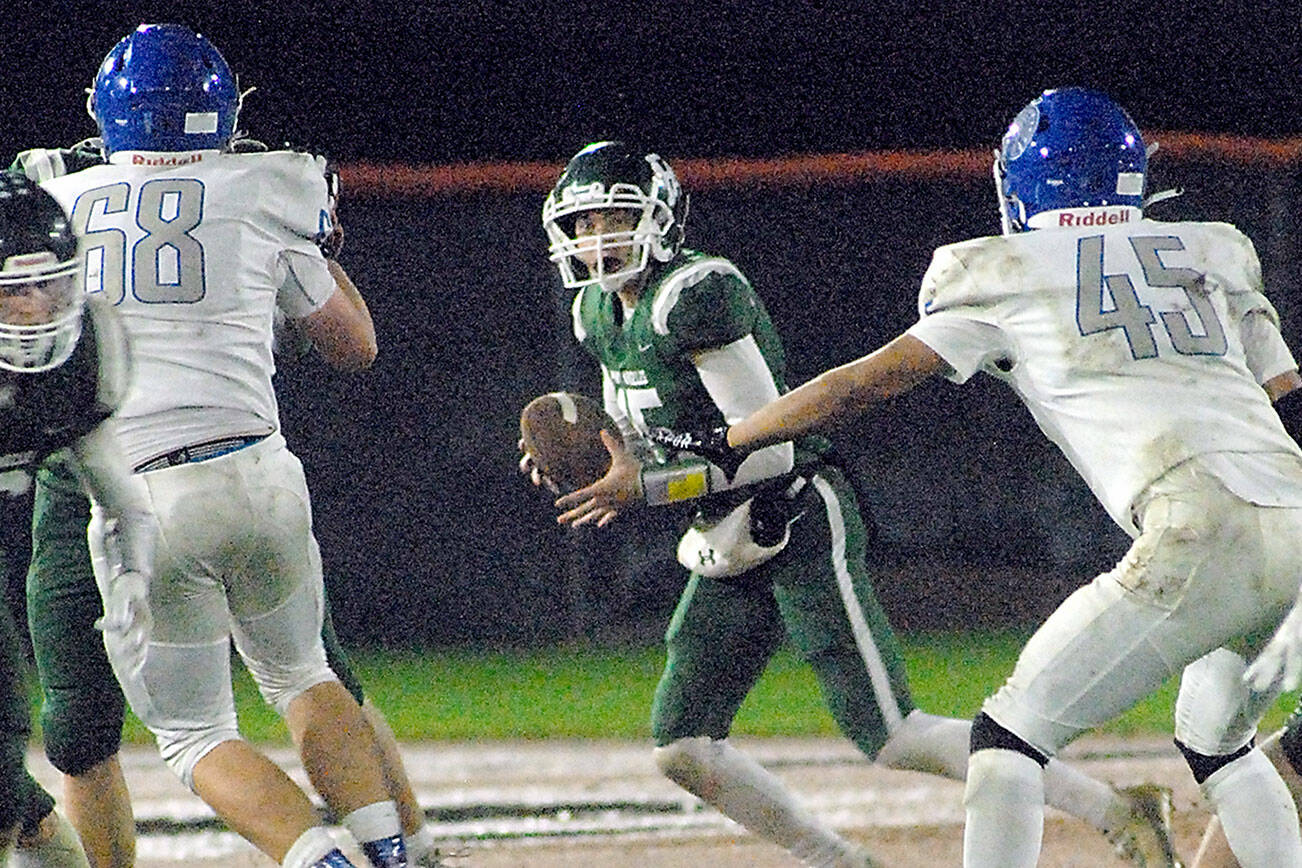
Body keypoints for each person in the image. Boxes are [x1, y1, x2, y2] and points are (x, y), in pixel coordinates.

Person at [608, 86, 1302, 867]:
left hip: (1196, 525)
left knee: (1007, 740)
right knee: (1222, 742)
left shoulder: (997, 271)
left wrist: (729, 436)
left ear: (1019, 183)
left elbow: (864, 382)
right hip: (1296, 521)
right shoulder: (1215, 250)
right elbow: (1288, 398)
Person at [531, 139, 1181, 867]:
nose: (599, 239)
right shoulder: (595, 312)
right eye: (585, 224)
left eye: (614, 217)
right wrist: (602, 460)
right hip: (723, 534)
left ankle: (1116, 808)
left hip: (798, 514)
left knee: (891, 733)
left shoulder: (697, 294)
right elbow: (656, 434)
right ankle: (843, 862)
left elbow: (768, 447)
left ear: (661, 214)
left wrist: (646, 485)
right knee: (681, 746)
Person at [11, 138, 448, 868]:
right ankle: (395, 855)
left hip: (134, 482)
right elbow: (354, 344)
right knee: (306, 673)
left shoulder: (62, 194)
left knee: (194, 731)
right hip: (257, 466)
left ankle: (327, 863)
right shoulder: (263, 186)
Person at [0, 173, 142, 867]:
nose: (31, 310)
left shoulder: (80, 358)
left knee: (5, 770)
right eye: (11, 290)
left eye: (44, 287)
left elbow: (113, 483)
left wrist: (134, 575)